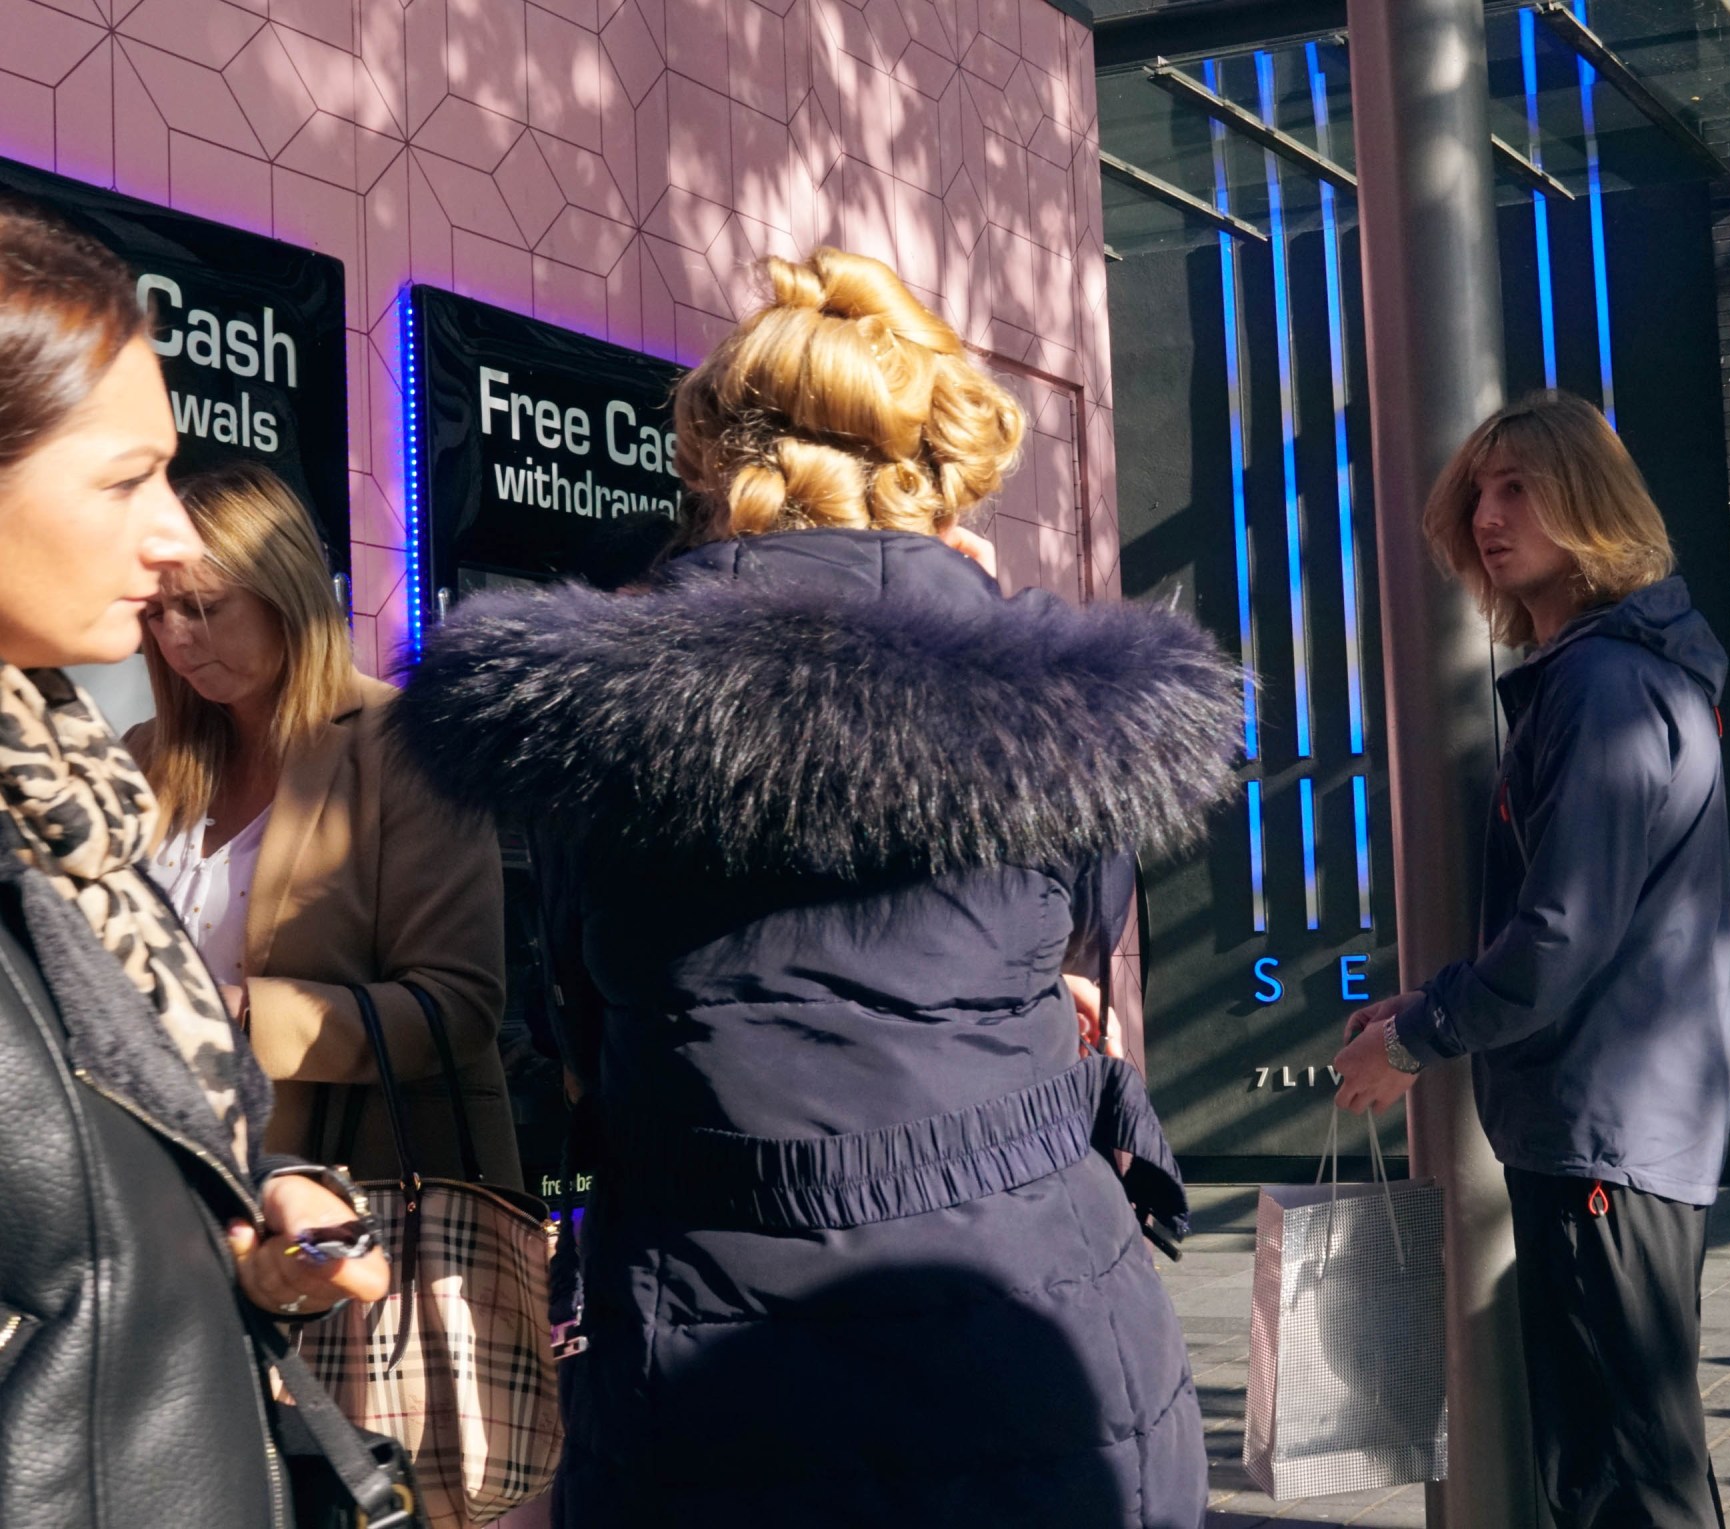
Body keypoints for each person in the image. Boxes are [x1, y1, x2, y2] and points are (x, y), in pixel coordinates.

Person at [389, 246, 1238, 1527]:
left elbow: (576, 1034)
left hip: (711, 1362)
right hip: (1041, 1342)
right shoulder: (1065, 718)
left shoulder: (587, 732)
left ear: (719, 472)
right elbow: (1077, 983)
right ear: (942, 487)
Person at [0, 202, 388, 1523]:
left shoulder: (67, 793)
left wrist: (231, 1204)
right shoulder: (115, 774)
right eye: (126, 481)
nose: (167, 547)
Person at [1333, 389, 1730, 1529]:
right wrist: (1433, 1001)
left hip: (1603, 1130)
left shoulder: (1602, 686)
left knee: (1623, 1477)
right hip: (1617, 1121)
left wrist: (1413, 1039)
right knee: (1623, 1463)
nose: (1486, 514)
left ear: (1589, 504)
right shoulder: (1623, 674)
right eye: (1476, 491)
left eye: (1517, 486)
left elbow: (1561, 935)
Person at [130, 460, 518, 1186]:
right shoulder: (145, 755)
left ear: (285, 594)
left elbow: (459, 1004)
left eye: (205, 607)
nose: (176, 639)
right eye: (155, 613)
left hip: (351, 1207)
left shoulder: (408, 743)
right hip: (157, 1183)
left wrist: (241, 1018)